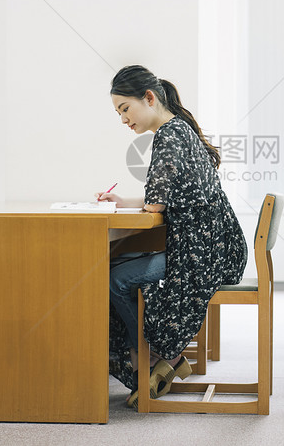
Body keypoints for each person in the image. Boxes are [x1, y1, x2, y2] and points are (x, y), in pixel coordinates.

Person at [98, 65, 247, 408]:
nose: (123, 119)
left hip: (203, 253)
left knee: (117, 277)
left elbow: (156, 206)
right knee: (122, 266)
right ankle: (165, 356)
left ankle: (154, 357)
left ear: (148, 98)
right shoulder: (179, 130)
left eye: (125, 109)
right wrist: (124, 202)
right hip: (215, 247)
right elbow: (164, 200)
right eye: (118, 112)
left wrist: (143, 204)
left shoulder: (169, 136)